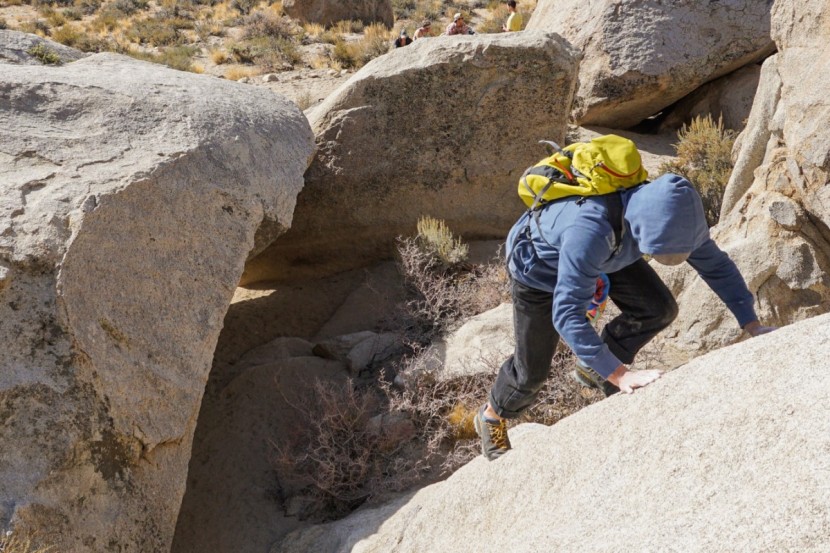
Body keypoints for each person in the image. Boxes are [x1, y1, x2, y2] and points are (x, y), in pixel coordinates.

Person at [473, 173, 776, 461]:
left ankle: (593, 370)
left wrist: (752, 323)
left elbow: (717, 266)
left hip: (609, 251)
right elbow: (566, 315)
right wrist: (620, 375)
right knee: (532, 373)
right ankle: (492, 416)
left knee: (659, 308)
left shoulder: (677, 215)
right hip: (539, 270)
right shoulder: (590, 231)